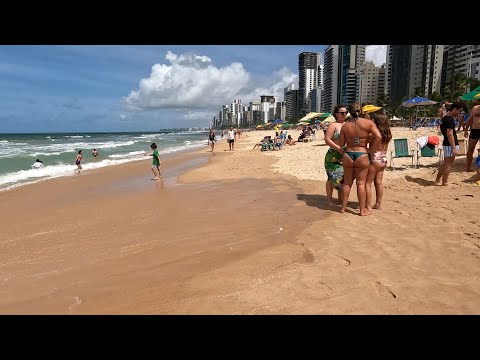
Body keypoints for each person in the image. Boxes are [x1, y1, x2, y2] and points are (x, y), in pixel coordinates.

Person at [338, 102, 382, 216]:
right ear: (361, 111)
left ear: (349, 113)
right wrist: (371, 150)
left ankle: (343, 208)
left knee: (347, 183)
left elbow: (341, 143)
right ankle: (362, 210)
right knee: (361, 183)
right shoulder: (368, 123)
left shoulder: (345, 125)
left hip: (348, 154)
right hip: (361, 154)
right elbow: (378, 137)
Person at [365, 114, 392, 211]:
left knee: (367, 183)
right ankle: (378, 204)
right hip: (383, 159)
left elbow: (372, 151)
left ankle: (368, 205)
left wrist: (364, 148)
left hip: (375, 159)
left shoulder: (375, 135)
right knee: (379, 183)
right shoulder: (388, 134)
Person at [324, 104, 347, 206]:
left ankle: (340, 199)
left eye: (346, 112)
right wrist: (338, 148)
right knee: (331, 178)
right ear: (336, 114)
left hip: (344, 156)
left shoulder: (348, 124)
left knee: (342, 178)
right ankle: (329, 200)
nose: (344, 114)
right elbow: (327, 140)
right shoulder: (333, 125)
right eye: (342, 113)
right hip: (333, 156)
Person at [435, 102, 463, 186]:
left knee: (445, 163)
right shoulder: (450, 120)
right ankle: (445, 182)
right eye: (459, 111)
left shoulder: (444, 118)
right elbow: (450, 134)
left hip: (446, 143)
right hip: (450, 144)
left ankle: (438, 180)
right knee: (448, 164)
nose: (458, 113)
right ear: (454, 109)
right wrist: (454, 147)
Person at [464, 99, 480, 172]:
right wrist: (466, 130)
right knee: (470, 149)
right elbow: (470, 119)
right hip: (475, 130)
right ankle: (468, 167)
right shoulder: (475, 108)